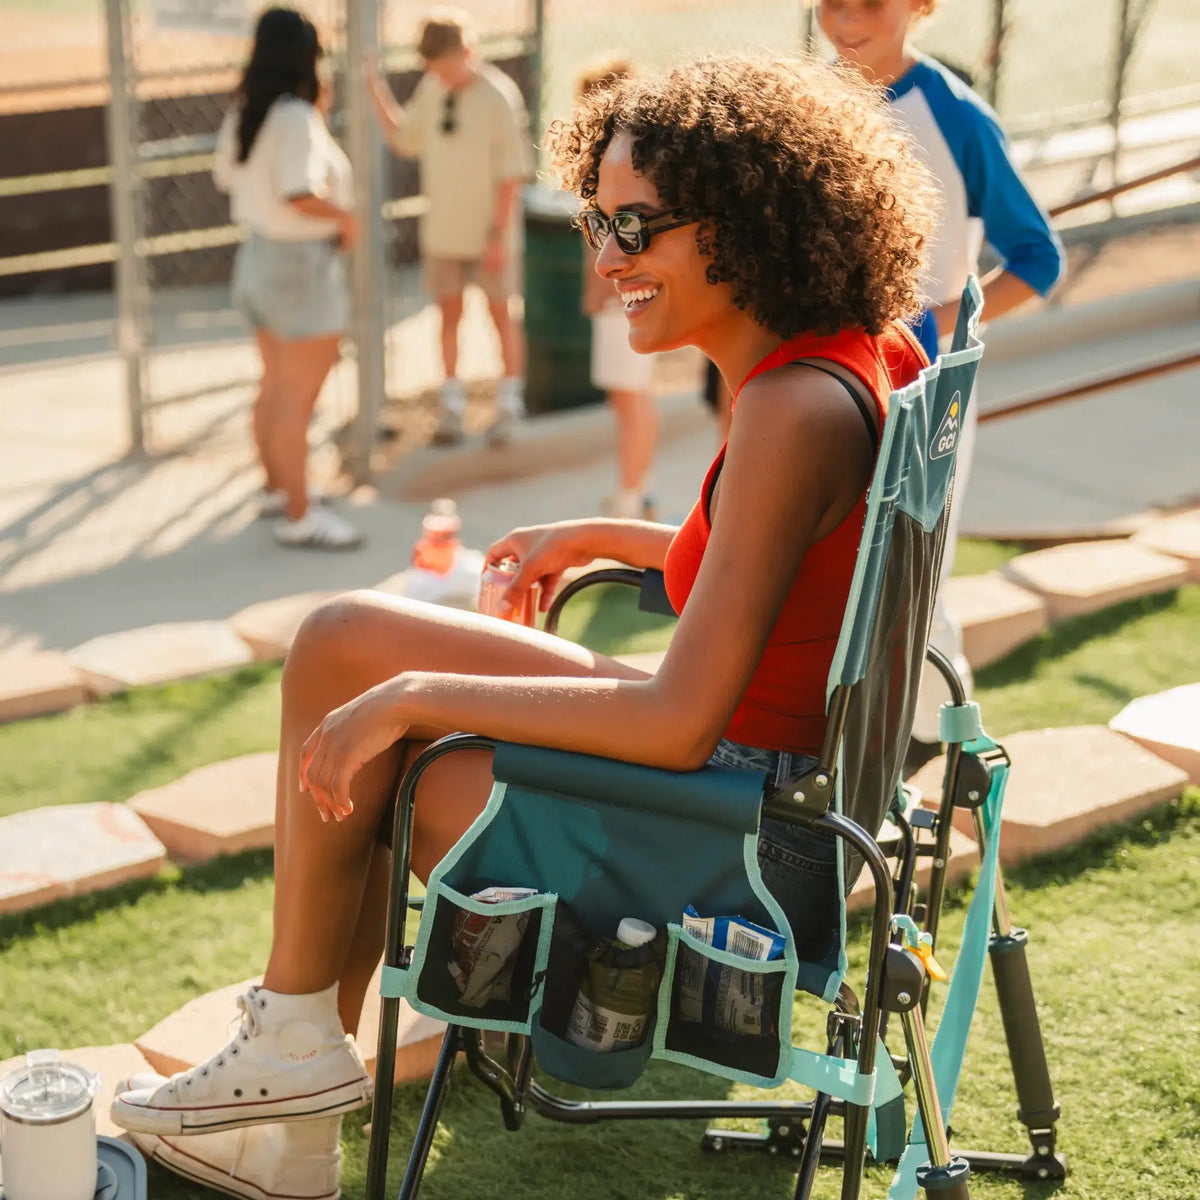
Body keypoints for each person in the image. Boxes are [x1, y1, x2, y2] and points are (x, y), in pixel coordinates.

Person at [109, 53, 936, 1197]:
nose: (605, 259)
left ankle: (292, 1082)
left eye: (637, 227)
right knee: (343, 635)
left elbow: (677, 722)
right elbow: (783, 563)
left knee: (388, 736)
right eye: (597, 220)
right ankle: (293, 1066)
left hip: (728, 838)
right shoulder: (854, 351)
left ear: (744, 224)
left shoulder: (793, 409)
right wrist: (604, 532)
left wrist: (416, 697)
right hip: (756, 777)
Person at [817, 0, 1064, 752]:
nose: (846, 18)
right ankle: (840, 755)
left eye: (870, 2)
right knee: (827, 567)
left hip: (926, 392)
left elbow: (1037, 257)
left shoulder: (955, 115)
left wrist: (935, 323)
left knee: (914, 571)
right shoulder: (806, 103)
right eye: (831, 0)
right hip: (825, 381)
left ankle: (947, 755)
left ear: (921, 6)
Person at [213, 7, 363, 550]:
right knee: (296, 401)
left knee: (275, 388)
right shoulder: (294, 115)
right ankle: (301, 516)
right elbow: (297, 192)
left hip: (257, 258)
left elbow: (227, 177)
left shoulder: (249, 109)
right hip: (299, 266)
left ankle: (281, 489)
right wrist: (348, 219)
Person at [370, 9, 533, 447]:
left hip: (489, 236)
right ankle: (453, 405)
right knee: (449, 317)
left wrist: (497, 236)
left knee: (502, 317)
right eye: (433, 67)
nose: (440, 73)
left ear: (466, 51)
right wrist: (374, 89)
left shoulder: (499, 96)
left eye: (445, 64)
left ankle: (509, 403)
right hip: (445, 234)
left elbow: (511, 174)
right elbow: (405, 139)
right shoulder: (432, 89)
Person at [577, 59, 658, 520]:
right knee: (624, 396)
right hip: (612, 300)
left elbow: (617, 243)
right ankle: (632, 490)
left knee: (632, 396)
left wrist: (601, 288)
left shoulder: (624, 165)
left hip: (622, 298)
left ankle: (632, 496)